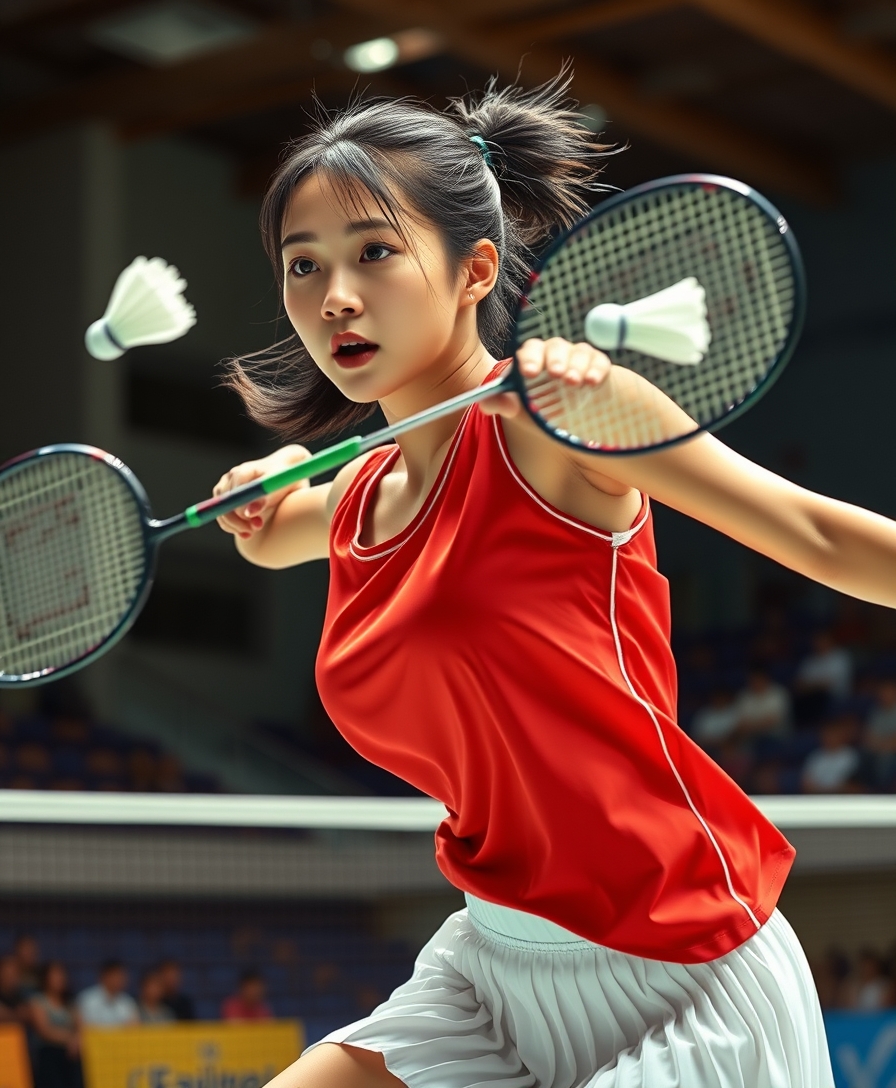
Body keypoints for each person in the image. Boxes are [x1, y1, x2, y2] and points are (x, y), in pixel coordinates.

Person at [206, 69, 896, 1088]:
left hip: (681, 963)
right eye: (301, 265)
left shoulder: (556, 420)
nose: (333, 296)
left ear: (474, 269)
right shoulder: (357, 497)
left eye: (374, 252)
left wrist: (590, 407)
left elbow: (811, 531)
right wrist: (255, 487)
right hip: (493, 969)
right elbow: (268, 536)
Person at [30, 961, 83, 1088]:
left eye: (61, 975)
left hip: (72, 1054)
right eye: (55, 975)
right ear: (46, 978)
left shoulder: (70, 1003)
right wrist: (70, 1039)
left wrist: (77, 1040)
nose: (59, 978)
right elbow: (44, 1031)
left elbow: (80, 1027)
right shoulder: (38, 1002)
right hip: (49, 1055)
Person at [76, 959, 139, 1027]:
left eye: (122, 976)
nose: (120, 979)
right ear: (105, 976)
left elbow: (133, 1028)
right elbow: (80, 1027)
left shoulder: (128, 1002)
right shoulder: (87, 999)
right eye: (116, 975)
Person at [862, 677, 896, 789]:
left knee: (885, 760)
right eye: (882, 691)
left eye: (888, 691)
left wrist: (882, 745)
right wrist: (879, 745)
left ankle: (881, 793)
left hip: (891, 752)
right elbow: (868, 737)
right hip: (875, 750)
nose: (884, 694)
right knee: (861, 755)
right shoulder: (875, 712)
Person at [0, 954, 26, 1022]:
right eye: (8, 973)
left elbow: (25, 1014)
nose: (12, 978)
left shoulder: (20, 995)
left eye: (14, 973)